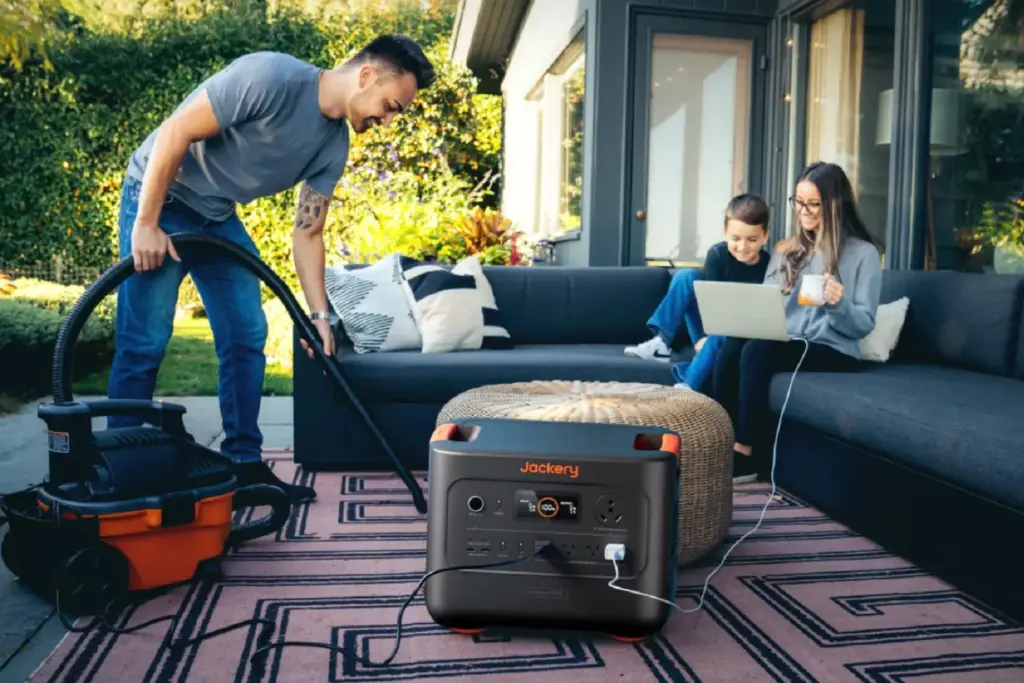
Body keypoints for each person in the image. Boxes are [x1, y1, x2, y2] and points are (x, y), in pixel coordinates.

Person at [107, 35, 436, 504]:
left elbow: (309, 232)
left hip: (216, 216)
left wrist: (320, 316)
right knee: (144, 340)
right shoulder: (269, 77)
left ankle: (244, 464)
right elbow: (176, 130)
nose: (387, 122)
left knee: (246, 332)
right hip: (162, 197)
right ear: (366, 76)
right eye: (390, 107)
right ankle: (120, 468)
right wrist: (146, 223)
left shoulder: (333, 146)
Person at [709, 161, 883, 483]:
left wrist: (838, 304)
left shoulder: (863, 254)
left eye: (813, 204)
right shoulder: (787, 250)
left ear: (835, 205)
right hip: (787, 339)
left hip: (833, 348)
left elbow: (863, 324)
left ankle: (747, 454)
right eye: (799, 202)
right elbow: (765, 303)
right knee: (732, 345)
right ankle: (719, 443)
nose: (803, 211)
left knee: (758, 351)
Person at [624, 194, 771, 392]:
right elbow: (709, 305)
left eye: (752, 240)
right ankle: (662, 341)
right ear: (725, 232)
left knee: (722, 333)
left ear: (765, 236)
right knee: (687, 275)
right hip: (708, 326)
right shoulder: (717, 254)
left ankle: (688, 386)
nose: (742, 247)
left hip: (734, 336)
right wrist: (705, 336)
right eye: (735, 238)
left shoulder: (768, 266)